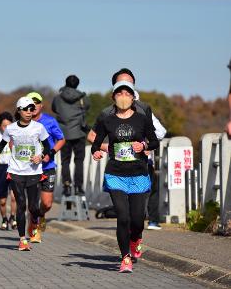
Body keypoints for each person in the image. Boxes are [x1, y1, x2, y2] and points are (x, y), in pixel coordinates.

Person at [87, 68, 167, 230]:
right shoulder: (106, 113)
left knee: (140, 208)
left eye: (129, 84)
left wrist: (145, 145)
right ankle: (126, 241)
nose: (125, 89)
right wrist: (107, 148)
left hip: (141, 163)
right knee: (123, 213)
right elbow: (92, 136)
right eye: (121, 85)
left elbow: (156, 134)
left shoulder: (144, 108)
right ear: (114, 89)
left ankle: (147, 224)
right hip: (118, 168)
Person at [91, 80, 158, 273]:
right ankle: (125, 257)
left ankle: (136, 238)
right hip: (116, 174)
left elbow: (154, 141)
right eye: (119, 93)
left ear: (133, 97)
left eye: (127, 93)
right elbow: (96, 144)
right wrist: (96, 152)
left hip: (138, 173)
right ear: (113, 97)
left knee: (137, 219)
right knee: (123, 216)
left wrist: (143, 146)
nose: (123, 96)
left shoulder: (142, 119)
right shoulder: (107, 120)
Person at [0, 96, 51, 251]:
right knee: (21, 204)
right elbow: (2, 143)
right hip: (15, 171)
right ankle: (22, 239)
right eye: (26, 109)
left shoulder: (38, 128)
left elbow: (48, 147)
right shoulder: (11, 129)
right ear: (19, 110)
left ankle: (35, 220)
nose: (29, 112)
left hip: (34, 171)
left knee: (33, 207)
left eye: (32, 109)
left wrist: (41, 156)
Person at [27, 92, 65, 239]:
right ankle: (34, 226)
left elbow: (61, 139)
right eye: (31, 103)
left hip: (48, 166)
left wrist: (51, 153)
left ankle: (41, 215)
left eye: (37, 103)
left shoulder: (50, 121)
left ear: (41, 105)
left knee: (47, 203)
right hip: (30, 168)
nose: (34, 106)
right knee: (32, 201)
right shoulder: (23, 122)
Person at [51, 75, 90, 196]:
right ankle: (79, 187)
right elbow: (87, 107)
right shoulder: (83, 98)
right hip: (79, 132)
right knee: (79, 161)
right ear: (77, 84)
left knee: (65, 161)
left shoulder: (58, 98)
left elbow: (54, 109)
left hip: (64, 134)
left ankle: (66, 186)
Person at [0, 111, 17, 230]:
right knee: (3, 200)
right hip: (0, 168)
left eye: (9, 125)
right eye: (4, 125)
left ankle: (13, 217)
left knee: (14, 196)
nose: (7, 128)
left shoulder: (16, 135)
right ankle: (4, 219)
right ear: (0, 125)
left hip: (14, 168)